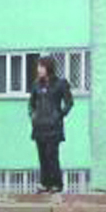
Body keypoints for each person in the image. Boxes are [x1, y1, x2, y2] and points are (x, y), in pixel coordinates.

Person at [29, 55, 73, 193]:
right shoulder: (36, 84)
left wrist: (59, 115)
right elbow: (31, 103)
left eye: (41, 66)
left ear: (48, 67)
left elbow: (69, 103)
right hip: (39, 126)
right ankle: (44, 183)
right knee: (42, 155)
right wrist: (33, 116)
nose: (38, 69)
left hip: (53, 127)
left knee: (51, 154)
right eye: (38, 66)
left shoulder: (61, 83)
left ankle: (56, 184)